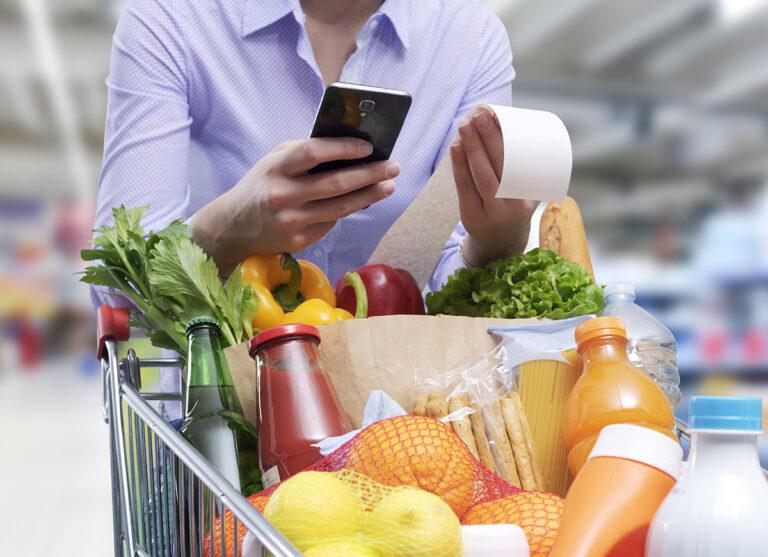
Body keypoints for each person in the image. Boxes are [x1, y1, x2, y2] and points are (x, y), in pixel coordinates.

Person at [94, 0, 536, 298]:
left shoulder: (470, 37)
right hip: (214, 386)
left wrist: (492, 243)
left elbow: (444, 278)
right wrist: (223, 232)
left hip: (389, 393)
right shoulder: (171, 17)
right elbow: (114, 280)